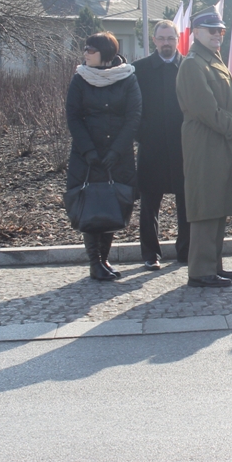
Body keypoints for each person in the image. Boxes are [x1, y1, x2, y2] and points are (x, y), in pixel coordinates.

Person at [176, 11, 232, 288]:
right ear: (195, 32)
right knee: (206, 206)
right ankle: (200, 271)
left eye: (220, 30)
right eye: (210, 30)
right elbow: (206, 111)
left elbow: (231, 100)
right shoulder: (193, 64)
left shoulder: (212, 61)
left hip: (221, 143)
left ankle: (213, 264)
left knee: (218, 203)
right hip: (205, 144)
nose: (217, 34)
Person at [65, 31, 141, 281]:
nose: (85, 54)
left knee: (112, 203)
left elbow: (133, 116)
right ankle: (94, 262)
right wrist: (88, 151)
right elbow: (73, 116)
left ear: (106, 54)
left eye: (90, 50)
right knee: (91, 204)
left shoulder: (127, 78)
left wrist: (117, 150)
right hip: (87, 154)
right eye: (85, 49)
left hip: (117, 154)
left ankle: (104, 259)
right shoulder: (80, 78)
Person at [134, 20, 189, 270]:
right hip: (152, 147)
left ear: (178, 40)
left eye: (170, 38)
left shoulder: (189, 67)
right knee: (149, 205)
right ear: (154, 40)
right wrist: (142, 135)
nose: (166, 43)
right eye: (161, 38)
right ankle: (150, 253)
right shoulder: (139, 69)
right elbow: (132, 110)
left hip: (183, 146)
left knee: (186, 202)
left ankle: (186, 250)